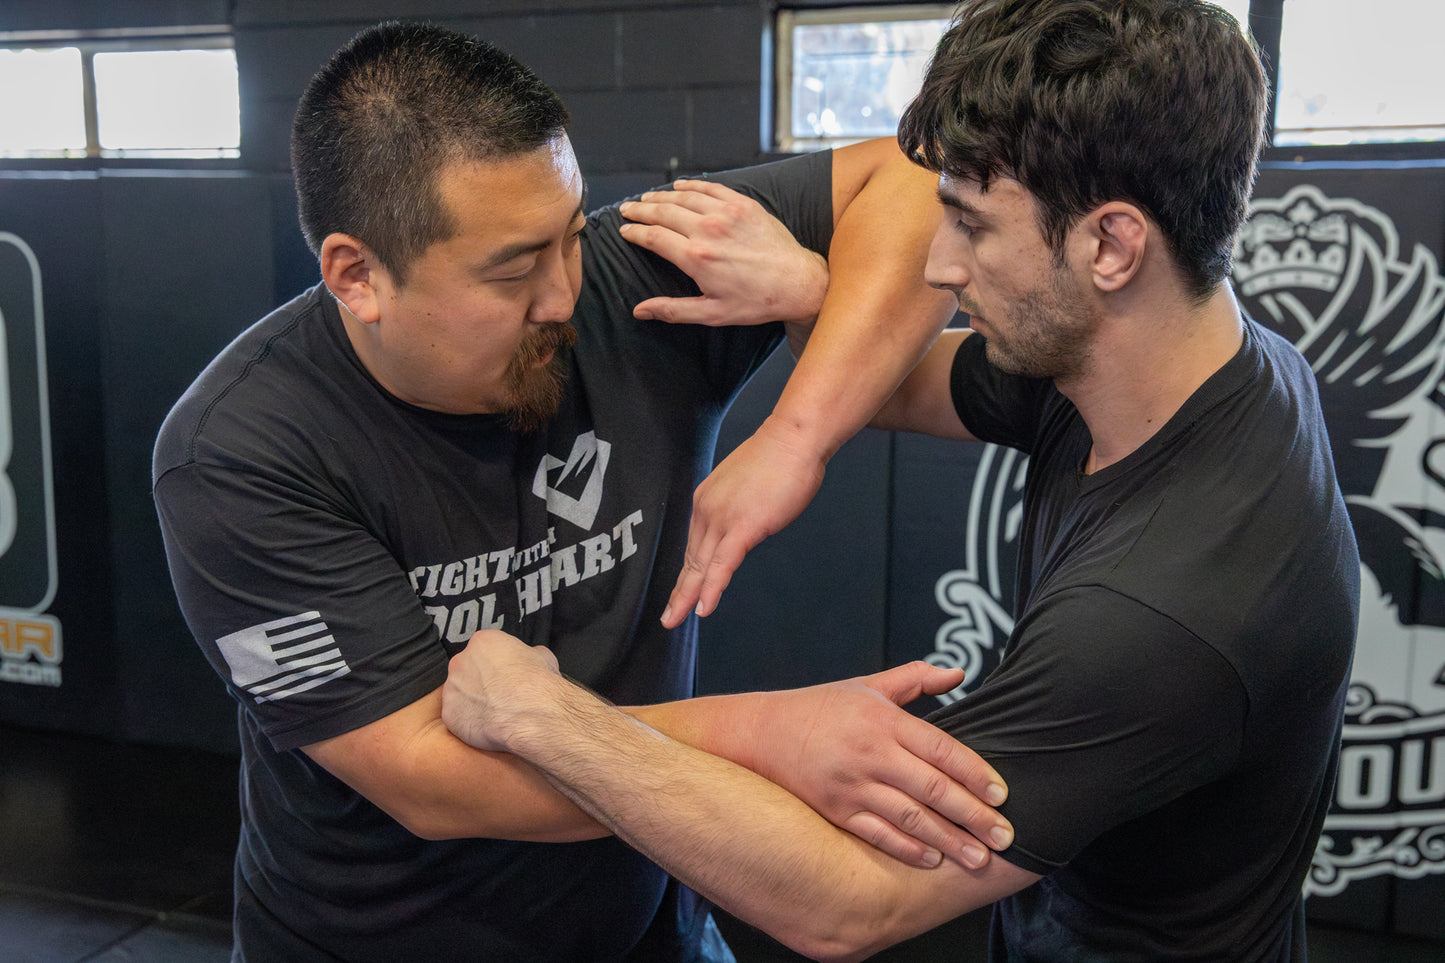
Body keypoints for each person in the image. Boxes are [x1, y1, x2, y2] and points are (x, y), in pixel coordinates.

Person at [441, 1, 1362, 959]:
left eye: (970, 225)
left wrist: (544, 715)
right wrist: (806, 288)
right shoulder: (1199, 361)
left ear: (1109, 245)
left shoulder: (1160, 615)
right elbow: (912, 386)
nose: (937, 262)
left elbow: (845, 903)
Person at [152, 19, 1015, 963]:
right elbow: (431, 777)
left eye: (567, 235)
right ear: (358, 276)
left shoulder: (626, 282)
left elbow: (911, 176)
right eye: (513, 268)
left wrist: (797, 432)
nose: (563, 293)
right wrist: (774, 737)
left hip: (648, 921)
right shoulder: (242, 449)